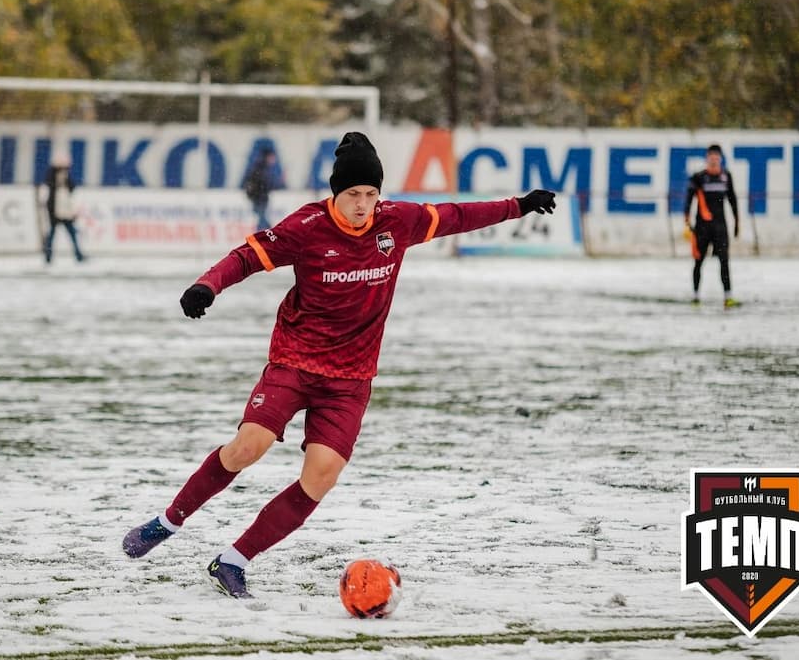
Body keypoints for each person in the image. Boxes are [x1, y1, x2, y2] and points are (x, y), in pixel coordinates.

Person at [122, 131, 557, 598]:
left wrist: (519, 204)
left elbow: (457, 215)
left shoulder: (398, 222)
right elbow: (247, 257)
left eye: (371, 194)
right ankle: (167, 521)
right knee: (249, 446)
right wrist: (207, 286)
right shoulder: (307, 227)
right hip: (295, 361)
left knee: (321, 475)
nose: (363, 204)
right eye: (354, 194)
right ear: (336, 193)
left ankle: (233, 560)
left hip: (351, 379)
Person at [683, 144, 739, 307]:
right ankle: (695, 296)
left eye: (717, 158)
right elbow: (688, 199)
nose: (714, 161)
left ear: (720, 159)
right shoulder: (699, 177)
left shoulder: (726, 176)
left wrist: (737, 222)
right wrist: (687, 220)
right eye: (711, 158)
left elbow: (733, 200)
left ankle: (728, 296)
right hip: (702, 228)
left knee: (724, 261)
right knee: (699, 262)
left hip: (720, 227)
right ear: (707, 159)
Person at [39, 152, 85, 263]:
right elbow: (46, 193)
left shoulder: (66, 177)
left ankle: (78, 255)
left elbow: (72, 191)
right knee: (54, 234)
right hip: (55, 211)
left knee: (71, 233)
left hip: (65, 211)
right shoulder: (51, 177)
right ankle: (49, 256)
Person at [243, 148, 277, 231]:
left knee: (262, 219)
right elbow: (264, 184)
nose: (274, 160)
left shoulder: (260, 167)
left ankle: (264, 236)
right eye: (272, 157)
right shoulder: (263, 169)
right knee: (263, 220)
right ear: (267, 157)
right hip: (259, 198)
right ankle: (268, 236)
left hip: (258, 198)